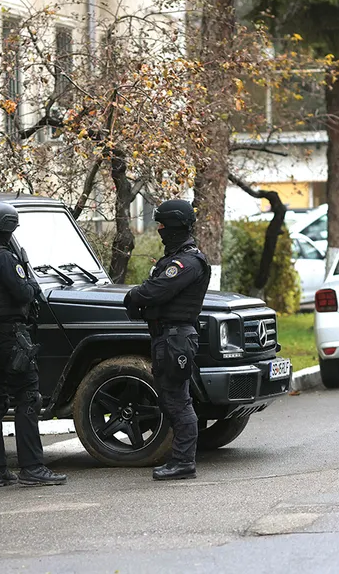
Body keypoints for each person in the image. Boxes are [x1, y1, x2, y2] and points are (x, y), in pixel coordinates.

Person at [0, 201, 67, 487]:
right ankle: (32, 467)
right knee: (28, 398)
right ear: (6, 227)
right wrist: (31, 283)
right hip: (10, 338)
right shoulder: (4, 258)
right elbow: (22, 294)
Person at [123, 199, 211, 480]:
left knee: (177, 401)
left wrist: (134, 297)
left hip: (176, 339)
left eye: (162, 224)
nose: (159, 229)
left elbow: (154, 291)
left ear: (173, 225)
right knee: (170, 398)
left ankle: (184, 462)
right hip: (168, 337)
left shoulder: (187, 262)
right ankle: (181, 459)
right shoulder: (176, 258)